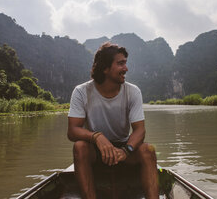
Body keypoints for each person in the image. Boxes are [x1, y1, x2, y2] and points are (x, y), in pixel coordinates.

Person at [67, 42, 159, 199]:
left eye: (125, 63)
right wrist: (96, 136)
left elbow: (139, 130)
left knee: (147, 150)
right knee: (80, 147)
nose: (126, 68)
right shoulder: (82, 92)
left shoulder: (133, 91)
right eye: (120, 63)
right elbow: (73, 131)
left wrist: (126, 150)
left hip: (124, 149)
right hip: (96, 150)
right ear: (105, 68)